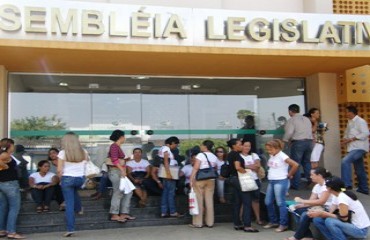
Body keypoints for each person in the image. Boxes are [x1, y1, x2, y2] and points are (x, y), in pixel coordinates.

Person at [285, 167, 332, 240]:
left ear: (319, 175)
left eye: (312, 175)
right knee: (295, 209)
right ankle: (308, 235)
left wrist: (302, 201)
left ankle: (297, 236)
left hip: (329, 209)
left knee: (305, 214)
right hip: (319, 207)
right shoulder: (317, 186)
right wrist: (300, 205)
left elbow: (322, 201)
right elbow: (311, 200)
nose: (310, 177)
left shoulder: (327, 185)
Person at [57, 132, 89, 237]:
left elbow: (59, 170)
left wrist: (60, 180)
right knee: (74, 191)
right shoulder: (84, 152)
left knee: (69, 205)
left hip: (67, 178)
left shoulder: (62, 153)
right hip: (80, 179)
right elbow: (87, 165)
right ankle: (79, 208)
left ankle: (70, 229)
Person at [264, 139, 299, 232]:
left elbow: (295, 165)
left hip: (280, 180)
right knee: (268, 202)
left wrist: (289, 174)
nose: (269, 152)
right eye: (267, 150)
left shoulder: (283, 156)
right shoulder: (272, 155)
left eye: (270, 149)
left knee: (280, 202)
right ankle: (273, 221)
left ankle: (283, 224)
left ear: (277, 148)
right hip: (272, 180)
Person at [227, 138, 259, 233]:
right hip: (239, 179)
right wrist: (245, 172)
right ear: (234, 146)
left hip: (233, 179)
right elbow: (238, 167)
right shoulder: (236, 155)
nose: (242, 146)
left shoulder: (230, 154)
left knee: (237, 202)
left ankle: (237, 223)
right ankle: (247, 225)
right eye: (240, 144)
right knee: (247, 201)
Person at [283, 104, 313, 190]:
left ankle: (296, 184)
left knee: (295, 163)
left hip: (298, 142)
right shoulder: (307, 119)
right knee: (307, 162)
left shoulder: (292, 120)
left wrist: (284, 140)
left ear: (290, 111)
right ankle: (311, 181)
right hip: (309, 142)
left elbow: (289, 132)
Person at [340, 105, 369, 195]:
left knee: (345, 161)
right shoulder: (350, 122)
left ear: (351, 112)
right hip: (352, 147)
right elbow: (347, 133)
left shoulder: (360, 121)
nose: (345, 114)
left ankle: (346, 185)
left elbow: (366, 133)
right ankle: (363, 188)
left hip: (359, 147)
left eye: (347, 112)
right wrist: (345, 139)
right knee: (359, 169)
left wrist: (351, 139)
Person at [107, 130, 134, 223]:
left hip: (119, 171)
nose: (124, 138)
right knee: (118, 192)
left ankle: (124, 213)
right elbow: (114, 159)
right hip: (116, 172)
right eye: (124, 136)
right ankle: (114, 214)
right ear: (121, 137)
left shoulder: (117, 146)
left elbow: (117, 159)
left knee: (128, 191)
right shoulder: (114, 146)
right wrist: (122, 170)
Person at [0, 138, 25, 239]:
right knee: (14, 207)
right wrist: (5, 166)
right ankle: (11, 231)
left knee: (3, 207)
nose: (14, 146)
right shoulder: (5, 155)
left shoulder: (4, 154)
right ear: (10, 145)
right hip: (10, 184)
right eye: (13, 145)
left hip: (2, 183)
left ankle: (2, 230)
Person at [189, 140, 217, 228]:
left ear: (205, 146)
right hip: (211, 179)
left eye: (202, 145)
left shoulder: (200, 155)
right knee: (209, 201)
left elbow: (196, 167)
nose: (200, 146)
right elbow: (215, 168)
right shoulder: (214, 156)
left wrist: (191, 178)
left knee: (199, 200)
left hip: (200, 179)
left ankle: (198, 223)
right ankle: (210, 222)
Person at [158, 136, 182, 218]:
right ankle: (172, 211)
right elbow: (166, 161)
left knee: (165, 193)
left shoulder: (162, 148)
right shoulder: (166, 149)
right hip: (169, 173)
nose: (176, 146)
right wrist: (168, 173)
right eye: (176, 144)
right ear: (172, 143)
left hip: (166, 173)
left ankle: (164, 212)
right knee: (171, 193)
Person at [239, 140, 263, 225]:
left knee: (255, 200)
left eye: (249, 146)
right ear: (241, 146)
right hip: (244, 180)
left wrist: (245, 166)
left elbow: (258, 166)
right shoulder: (238, 156)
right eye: (245, 146)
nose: (247, 148)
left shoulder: (254, 155)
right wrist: (250, 166)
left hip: (255, 179)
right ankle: (241, 218)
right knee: (244, 201)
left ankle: (258, 218)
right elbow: (238, 167)